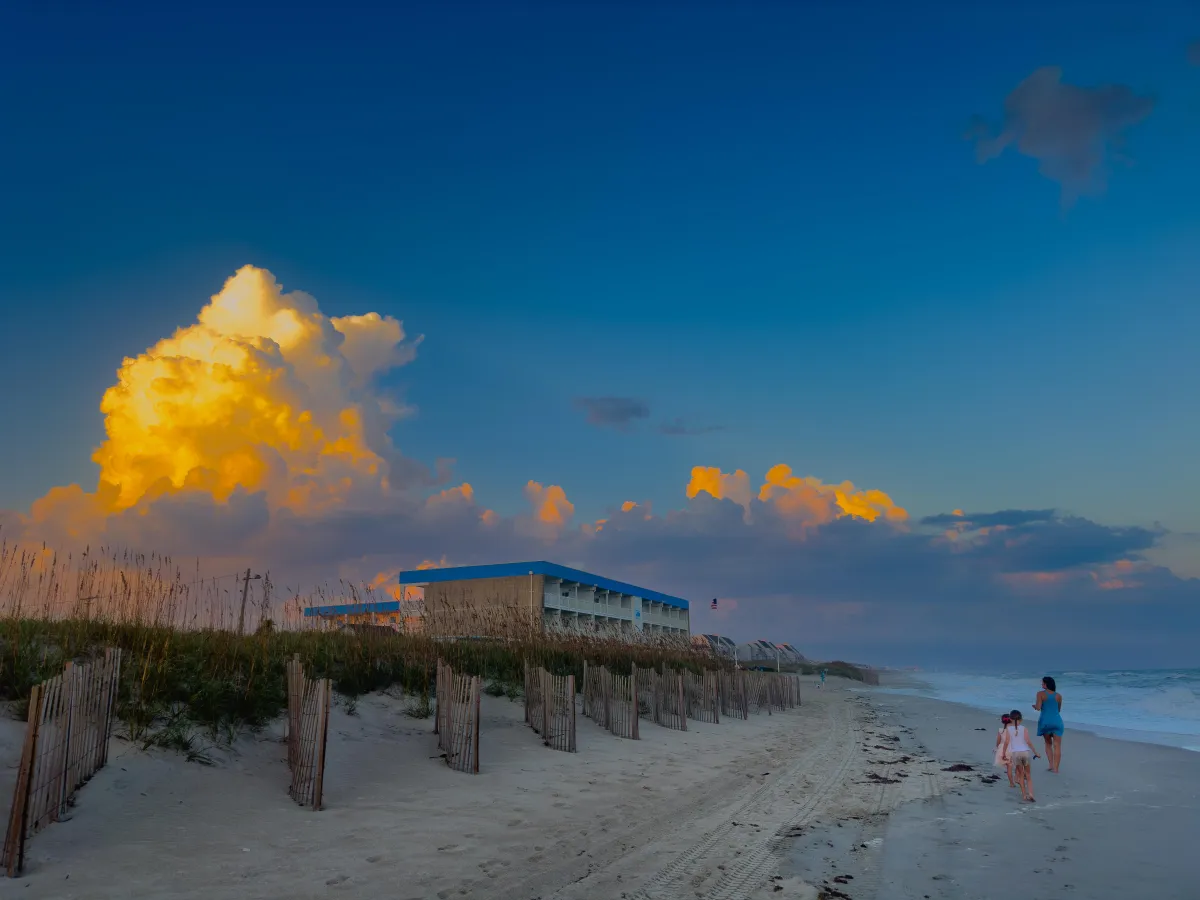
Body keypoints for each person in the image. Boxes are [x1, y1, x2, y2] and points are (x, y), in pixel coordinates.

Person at [1002, 709, 1040, 802]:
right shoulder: (1024, 728)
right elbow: (1028, 742)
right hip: (1025, 753)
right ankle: (1030, 793)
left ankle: (1024, 795)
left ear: (1010, 719)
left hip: (1016, 754)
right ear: (1021, 720)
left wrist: (1003, 753)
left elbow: (1006, 742)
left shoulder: (1008, 729)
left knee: (1021, 775)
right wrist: (1036, 752)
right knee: (1028, 775)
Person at [1034, 675, 1064, 773]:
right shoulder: (1058, 696)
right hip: (1057, 721)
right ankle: (1056, 769)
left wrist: (1034, 706)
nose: (1042, 684)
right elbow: (1058, 710)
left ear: (1047, 684)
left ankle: (1051, 765)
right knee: (1057, 746)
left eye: (1043, 683)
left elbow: (1038, 708)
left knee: (1048, 744)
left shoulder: (1040, 694)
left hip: (1045, 721)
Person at [994, 713, 1015, 787]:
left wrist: (997, 748)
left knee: (1008, 767)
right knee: (1013, 766)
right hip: (1011, 749)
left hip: (1002, 749)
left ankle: (1011, 783)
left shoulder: (1001, 730)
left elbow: (998, 742)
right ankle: (1017, 778)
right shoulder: (1014, 731)